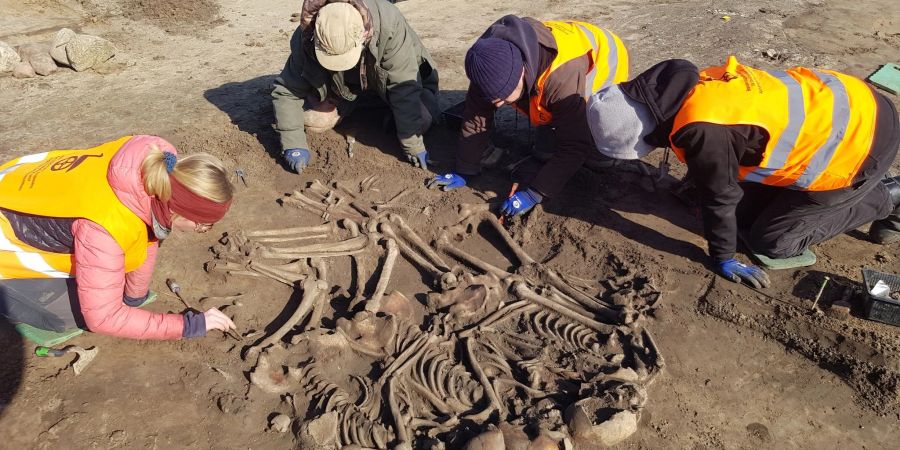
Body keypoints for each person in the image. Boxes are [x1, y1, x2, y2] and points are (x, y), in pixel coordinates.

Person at [585, 57, 900, 288]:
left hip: (859, 146)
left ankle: (887, 196)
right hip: (850, 102)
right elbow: (732, 141)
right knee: (742, 215)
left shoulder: (701, 132)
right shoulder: (679, 84)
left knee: (772, 243)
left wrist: (721, 257)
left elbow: (719, 197)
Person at [0, 135, 238, 340]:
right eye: (203, 225)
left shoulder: (154, 167)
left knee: (108, 280)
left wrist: (135, 297)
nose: (202, 230)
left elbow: (147, 234)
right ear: (180, 211)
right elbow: (103, 318)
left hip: (19, 186)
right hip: (7, 235)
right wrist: (189, 326)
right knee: (72, 314)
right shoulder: (105, 226)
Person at [430, 15, 629, 217]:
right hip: (550, 79)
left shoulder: (561, 77)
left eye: (502, 97)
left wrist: (535, 193)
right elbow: (476, 117)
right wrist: (465, 168)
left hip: (602, 63)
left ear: (522, 73)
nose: (497, 104)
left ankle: (608, 152)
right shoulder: (487, 65)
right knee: (544, 153)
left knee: (595, 151)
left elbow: (574, 146)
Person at [272, 0, 439, 173]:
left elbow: (404, 87)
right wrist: (293, 145)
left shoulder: (389, 24)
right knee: (314, 122)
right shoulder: (306, 37)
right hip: (344, 88)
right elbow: (287, 92)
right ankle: (351, 108)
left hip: (386, 84)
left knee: (421, 120)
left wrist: (413, 146)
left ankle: (389, 111)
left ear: (364, 33)